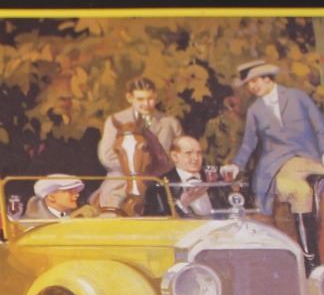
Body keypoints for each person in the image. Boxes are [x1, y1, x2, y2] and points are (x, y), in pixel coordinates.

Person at [222, 59, 324, 245]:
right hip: (276, 166)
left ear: (267, 78)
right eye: (248, 84)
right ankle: (308, 251)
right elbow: (248, 144)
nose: (251, 87)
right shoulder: (255, 110)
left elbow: (321, 126)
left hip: (310, 159)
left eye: (254, 81)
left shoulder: (297, 97)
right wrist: (237, 165)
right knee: (300, 191)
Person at [94, 77, 182, 211]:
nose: (146, 104)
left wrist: (150, 174)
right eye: (140, 99)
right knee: (111, 209)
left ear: (155, 96)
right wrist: (136, 169)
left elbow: (179, 155)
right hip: (122, 182)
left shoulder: (170, 123)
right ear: (129, 98)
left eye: (150, 98)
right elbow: (107, 157)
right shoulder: (115, 121)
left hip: (160, 183)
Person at [144, 134, 233, 217]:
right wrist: (182, 204)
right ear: (175, 156)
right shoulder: (158, 186)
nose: (195, 158)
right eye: (188, 153)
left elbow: (230, 210)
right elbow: (156, 221)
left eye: (199, 153)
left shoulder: (215, 179)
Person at [22, 175, 89, 219]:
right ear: (51, 197)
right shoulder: (31, 222)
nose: (77, 195)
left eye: (76, 191)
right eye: (70, 192)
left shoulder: (78, 215)